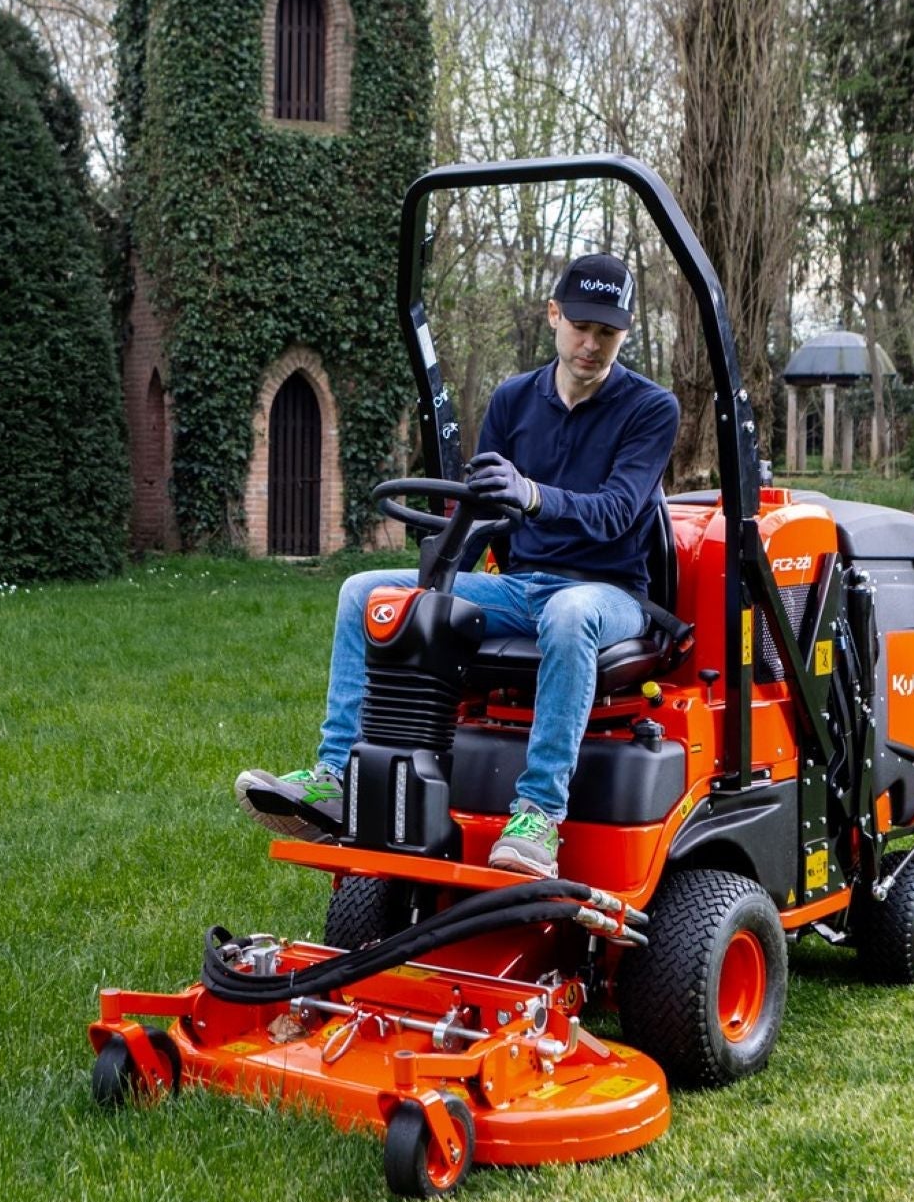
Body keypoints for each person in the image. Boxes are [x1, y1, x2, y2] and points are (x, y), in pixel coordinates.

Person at [237, 253, 679, 876]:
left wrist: (531, 494)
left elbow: (615, 512)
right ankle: (334, 777)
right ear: (554, 315)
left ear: (624, 333)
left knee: (569, 611)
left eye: (606, 332)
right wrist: (433, 585)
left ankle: (538, 816)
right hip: (520, 587)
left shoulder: (650, 409)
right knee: (365, 592)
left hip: (606, 594)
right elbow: (478, 512)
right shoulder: (513, 399)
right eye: (580, 325)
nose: (590, 343)